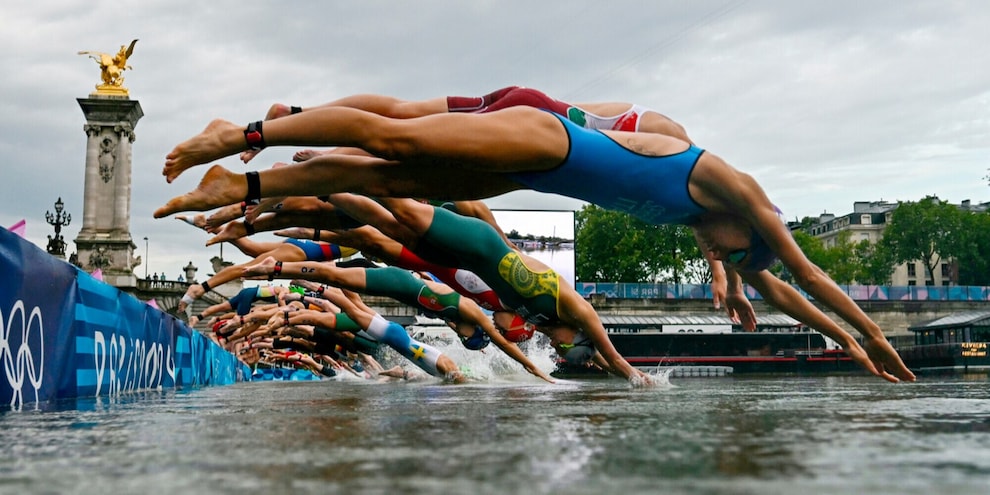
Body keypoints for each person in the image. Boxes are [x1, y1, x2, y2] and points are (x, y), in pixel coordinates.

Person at [158, 97, 916, 383]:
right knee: (392, 141)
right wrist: (873, 332)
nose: (738, 267)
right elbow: (808, 274)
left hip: (540, 172)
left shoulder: (717, 235)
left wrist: (845, 345)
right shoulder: (735, 191)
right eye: (738, 259)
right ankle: (244, 137)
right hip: (549, 134)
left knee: (394, 178)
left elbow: (783, 292)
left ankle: (248, 190)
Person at [239, 258, 555, 383]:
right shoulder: (472, 313)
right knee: (341, 298)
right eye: (465, 337)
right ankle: (287, 274)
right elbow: (499, 341)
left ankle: (294, 283)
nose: (460, 336)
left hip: (400, 310)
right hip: (400, 289)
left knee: (347, 302)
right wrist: (535, 370)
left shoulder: (457, 320)